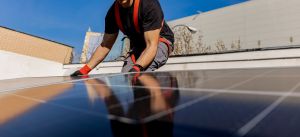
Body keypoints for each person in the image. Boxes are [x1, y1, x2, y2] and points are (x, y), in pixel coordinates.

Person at [71, 0, 174, 77]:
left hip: (159, 42)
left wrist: (137, 67)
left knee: (141, 71)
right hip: (138, 47)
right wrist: (84, 70)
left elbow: (152, 45)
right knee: (126, 75)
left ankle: (161, 97)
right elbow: (105, 45)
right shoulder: (112, 14)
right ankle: (139, 102)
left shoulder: (148, 5)